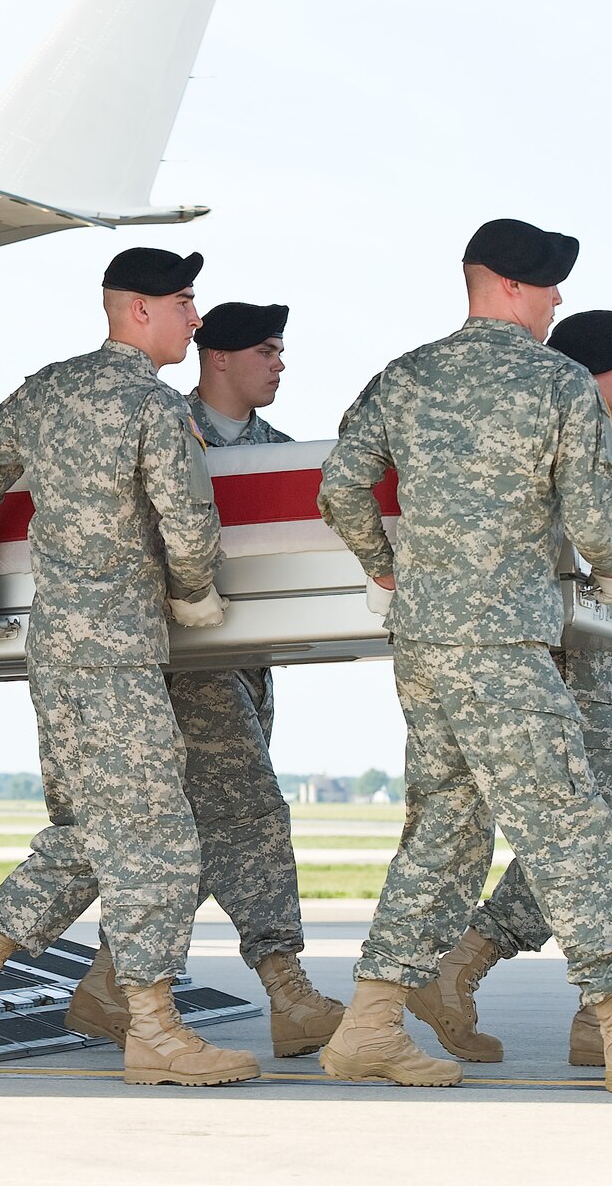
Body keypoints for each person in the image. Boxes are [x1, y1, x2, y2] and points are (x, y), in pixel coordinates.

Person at [315, 218, 612, 1093]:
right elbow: (594, 510)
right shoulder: (555, 381)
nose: (555, 304)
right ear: (507, 285)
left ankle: (370, 1023)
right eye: (547, 287)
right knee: (573, 820)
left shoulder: (408, 373)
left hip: (424, 638)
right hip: (505, 637)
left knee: (450, 826)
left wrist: (387, 565)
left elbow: (340, 485)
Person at [0, 247, 260, 1087]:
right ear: (138, 310)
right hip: (116, 653)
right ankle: (155, 1027)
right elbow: (188, 520)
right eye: (183, 302)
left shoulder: (50, 387)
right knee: (160, 836)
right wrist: (199, 593)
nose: (195, 318)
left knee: (91, 836)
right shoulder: (151, 404)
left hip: (56, 650)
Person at [409, 309, 612, 1067]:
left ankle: (478, 971)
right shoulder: (534, 442)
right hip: (551, 673)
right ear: (583, 375)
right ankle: (606, 1014)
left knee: (577, 845)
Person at [153, 302, 347, 1057]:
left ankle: (112, 982)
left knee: (203, 838)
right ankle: (286, 987)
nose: (280, 363)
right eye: (267, 350)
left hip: (249, 673)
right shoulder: (163, 424)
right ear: (222, 358)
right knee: (255, 816)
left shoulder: (286, 457)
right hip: (181, 666)